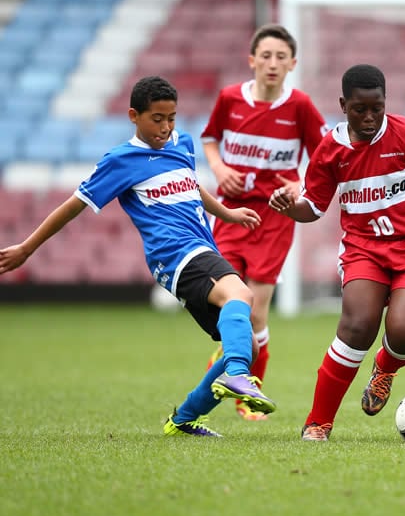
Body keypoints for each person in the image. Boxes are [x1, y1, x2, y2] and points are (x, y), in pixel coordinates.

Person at [0, 76, 277, 438]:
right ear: (134, 116)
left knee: (249, 343)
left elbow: (191, 185)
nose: (165, 127)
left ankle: (184, 420)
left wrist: (227, 214)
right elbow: (72, 207)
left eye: (172, 118)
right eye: (156, 119)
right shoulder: (121, 161)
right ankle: (237, 376)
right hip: (174, 252)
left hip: (200, 246)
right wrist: (27, 247)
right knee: (241, 296)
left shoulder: (182, 143)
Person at [269, 64, 405, 441]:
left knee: (404, 330)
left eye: (378, 107)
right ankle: (318, 422)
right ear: (343, 105)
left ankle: (385, 368)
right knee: (358, 326)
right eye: (360, 109)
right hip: (364, 248)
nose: (370, 117)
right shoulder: (330, 150)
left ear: (386, 102)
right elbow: (314, 207)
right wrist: (290, 208)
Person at [201, 24, 328, 421]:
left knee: (254, 311)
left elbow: (324, 157)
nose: (272, 64)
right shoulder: (229, 99)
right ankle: (229, 359)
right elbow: (209, 138)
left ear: (293, 64)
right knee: (227, 306)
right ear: (252, 60)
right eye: (265, 56)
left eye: (280, 57)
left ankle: (247, 393)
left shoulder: (301, 107)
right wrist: (220, 168)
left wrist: (300, 181)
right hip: (231, 213)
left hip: (274, 217)